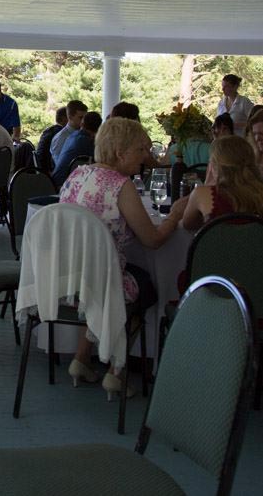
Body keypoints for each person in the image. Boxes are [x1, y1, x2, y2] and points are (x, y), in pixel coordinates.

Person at [58, 117, 183, 395]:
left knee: (105, 281)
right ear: (120, 153)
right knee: (146, 289)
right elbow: (152, 240)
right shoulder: (120, 185)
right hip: (102, 282)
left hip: (68, 280)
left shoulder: (77, 174)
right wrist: (175, 215)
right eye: (140, 149)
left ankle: (81, 359)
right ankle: (117, 371)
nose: (145, 156)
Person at [181, 136, 263, 231]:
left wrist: (207, 184)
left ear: (215, 167)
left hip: (219, 246)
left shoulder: (202, 194)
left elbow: (188, 225)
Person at [52, 111, 101, 187]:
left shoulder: (73, 135)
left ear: (82, 124)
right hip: (63, 184)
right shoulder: (85, 141)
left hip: (56, 181)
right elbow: (101, 160)